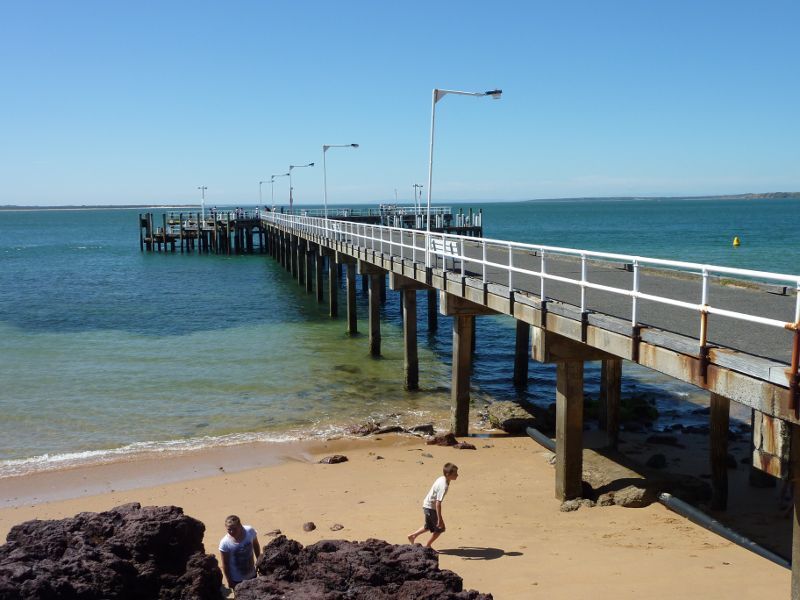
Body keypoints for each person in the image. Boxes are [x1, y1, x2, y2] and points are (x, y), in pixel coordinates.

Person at [407, 463, 459, 549]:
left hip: (427, 504)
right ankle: (428, 545)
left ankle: (413, 536)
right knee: (440, 529)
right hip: (431, 507)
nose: (457, 475)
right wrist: (440, 519)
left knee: (428, 526)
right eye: (455, 473)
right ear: (448, 474)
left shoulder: (442, 478)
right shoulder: (444, 486)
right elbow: (438, 503)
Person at [219, 515, 261, 591]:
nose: (232, 532)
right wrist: (229, 580)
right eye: (229, 529)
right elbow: (225, 564)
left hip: (252, 574)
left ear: (240, 526)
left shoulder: (249, 531)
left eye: (234, 529)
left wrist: (259, 560)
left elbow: (256, 545)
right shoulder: (224, 543)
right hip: (237, 580)